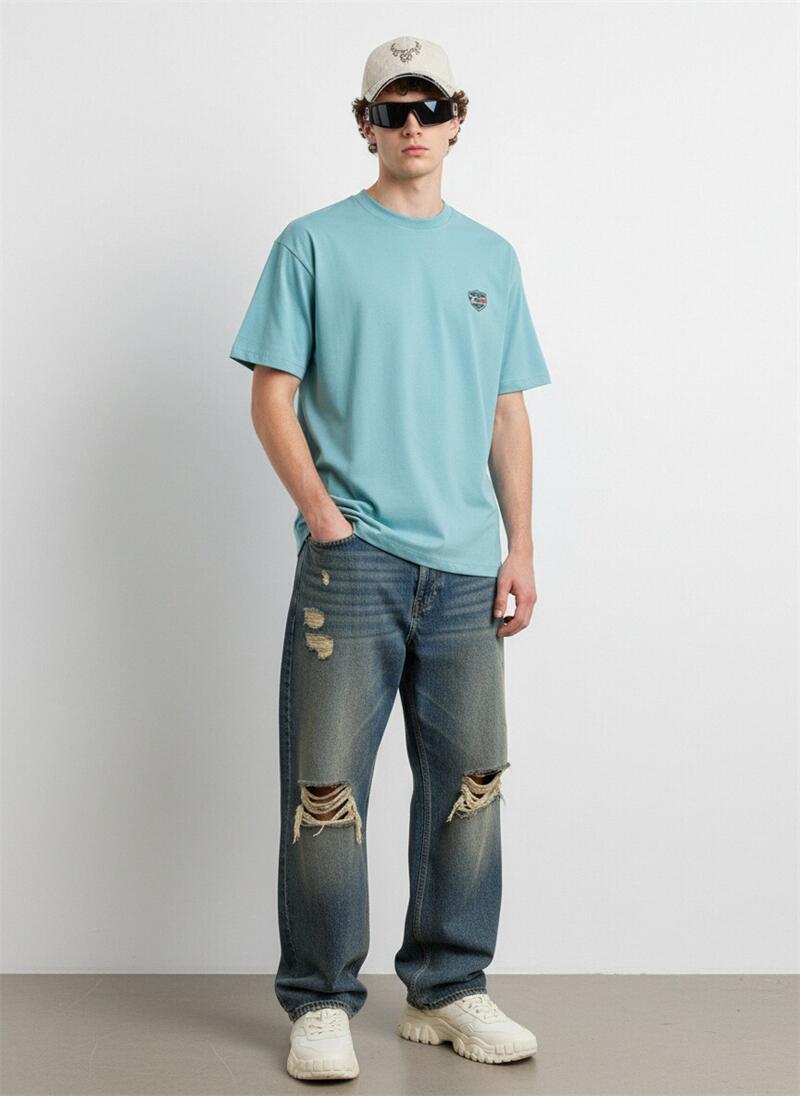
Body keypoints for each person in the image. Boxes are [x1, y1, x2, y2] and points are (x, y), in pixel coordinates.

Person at [229, 34, 551, 1083]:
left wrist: (520, 546)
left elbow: (506, 412)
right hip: (353, 564)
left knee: (471, 785)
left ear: (458, 119)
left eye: (429, 108)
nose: (412, 126)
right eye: (391, 110)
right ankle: (321, 1001)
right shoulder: (313, 244)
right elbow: (271, 394)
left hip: (466, 570)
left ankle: (447, 989)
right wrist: (326, 519)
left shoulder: (491, 257)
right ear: (363, 124)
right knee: (326, 789)